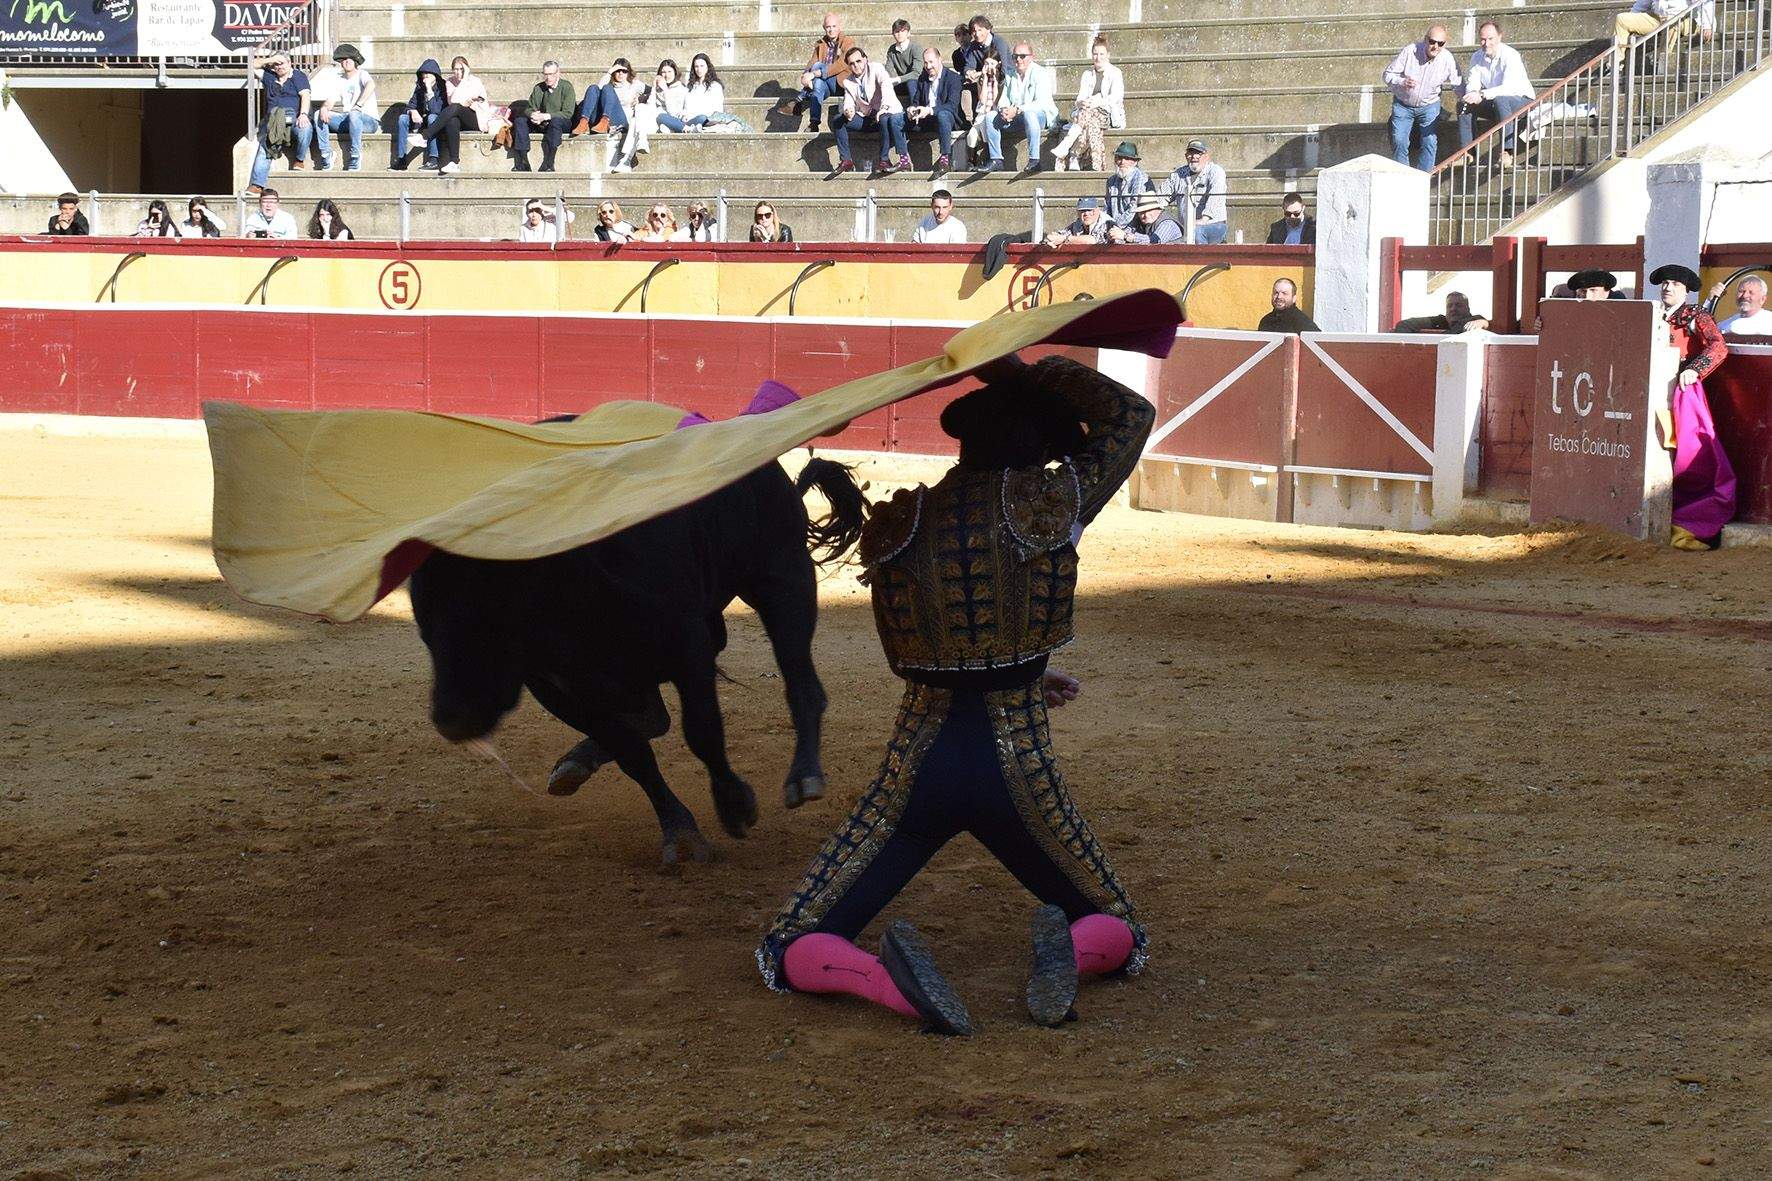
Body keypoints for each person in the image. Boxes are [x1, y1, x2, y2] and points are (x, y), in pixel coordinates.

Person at [756, 351, 1152, 1036]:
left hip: (919, 764)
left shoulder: (903, 521)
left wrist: (1016, 666)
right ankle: (1070, 956)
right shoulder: (1053, 501)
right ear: (1040, 448)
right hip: (1017, 763)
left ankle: (888, 986)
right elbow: (1132, 415)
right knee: (1115, 926)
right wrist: (1028, 367)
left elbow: (919, 650)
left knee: (790, 939)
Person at [1649, 263, 1735, 550]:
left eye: (1674, 283)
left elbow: (1719, 347)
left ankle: (1690, 524)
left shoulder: (1695, 316)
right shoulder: (1651, 315)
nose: (1668, 287)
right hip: (1651, 393)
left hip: (1682, 392)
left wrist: (1695, 370)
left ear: (1685, 290)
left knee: (1688, 456)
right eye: (1664, 283)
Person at [1383, 25, 1461, 171]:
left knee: (1429, 141)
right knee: (1399, 141)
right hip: (1403, 105)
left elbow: (1458, 84)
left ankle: (1425, 176)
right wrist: (1402, 81)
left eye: (1440, 43)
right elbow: (1387, 75)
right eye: (1432, 42)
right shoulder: (1410, 51)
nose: (1435, 46)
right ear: (1425, 40)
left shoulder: (1447, 59)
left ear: (1445, 44)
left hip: (1429, 105)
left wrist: (1467, 98)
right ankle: (1403, 175)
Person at [1458, 22, 1533, 166]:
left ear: (1499, 37)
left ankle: (1507, 152)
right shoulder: (1476, 57)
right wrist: (1473, 94)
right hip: (1496, 102)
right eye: (1483, 39)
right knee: (1464, 104)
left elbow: (1509, 88)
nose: (1486, 43)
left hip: (1523, 101)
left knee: (1501, 100)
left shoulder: (1511, 55)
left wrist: (1482, 94)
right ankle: (1467, 154)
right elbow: (1472, 83)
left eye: (1490, 39)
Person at [832, 46, 910, 178]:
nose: (856, 65)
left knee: (884, 118)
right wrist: (848, 111)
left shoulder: (876, 68)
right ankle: (846, 160)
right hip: (868, 116)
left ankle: (884, 160)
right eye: (852, 63)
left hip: (888, 112)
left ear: (865, 59)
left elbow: (886, 86)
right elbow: (848, 100)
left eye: (858, 61)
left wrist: (883, 108)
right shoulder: (848, 81)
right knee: (838, 119)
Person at [1051, 37, 1124, 173]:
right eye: (1095, 54)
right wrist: (1082, 102)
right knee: (1086, 115)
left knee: (1087, 115)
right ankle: (1076, 156)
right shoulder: (1087, 74)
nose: (1098, 57)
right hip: (1086, 114)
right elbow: (1080, 98)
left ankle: (1069, 151)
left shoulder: (1115, 73)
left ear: (1108, 55)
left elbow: (1115, 98)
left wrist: (1096, 101)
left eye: (1101, 54)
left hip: (1107, 113)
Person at [982, 42, 1056, 173]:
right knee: (990, 117)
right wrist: (1003, 110)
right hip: (1016, 117)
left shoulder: (1040, 73)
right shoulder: (1010, 74)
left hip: (1040, 116)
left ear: (1031, 57)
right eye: (1015, 56)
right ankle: (996, 159)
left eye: (1023, 56)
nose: (1018, 59)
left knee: (1030, 114)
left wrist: (1017, 110)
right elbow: (1004, 98)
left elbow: (1041, 102)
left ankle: (1035, 160)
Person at [247, 52, 313, 193]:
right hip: (273, 121)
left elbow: (305, 96)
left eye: (282, 63)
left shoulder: (298, 76)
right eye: (276, 64)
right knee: (265, 144)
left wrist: (303, 114)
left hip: (293, 118)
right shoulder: (269, 76)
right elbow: (251, 63)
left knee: (306, 128)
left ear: (289, 63)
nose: (279, 66)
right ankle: (257, 184)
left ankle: (299, 159)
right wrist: (271, 60)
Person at [311, 43, 378, 172]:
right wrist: (324, 108)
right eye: (343, 59)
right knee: (318, 113)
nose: (346, 62)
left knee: (354, 113)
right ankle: (326, 154)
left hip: (368, 121)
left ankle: (355, 155)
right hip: (347, 119)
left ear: (355, 60)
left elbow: (370, 85)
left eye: (349, 59)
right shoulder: (339, 79)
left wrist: (359, 105)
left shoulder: (362, 74)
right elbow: (330, 100)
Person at [422, 55, 489, 175]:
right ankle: (454, 162)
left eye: (461, 69)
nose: (458, 72)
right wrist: (464, 97)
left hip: (476, 118)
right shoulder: (450, 82)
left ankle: (425, 135)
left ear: (467, 69)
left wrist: (465, 80)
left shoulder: (475, 81)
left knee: (455, 108)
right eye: (456, 69)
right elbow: (453, 100)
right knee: (452, 120)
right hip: (459, 117)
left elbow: (475, 101)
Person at [791, 12, 855, 132]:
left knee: (818, 66)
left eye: (834, 26)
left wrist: (815, 73)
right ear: (824, 28)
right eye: (828, 27)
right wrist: (805, 75)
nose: (831, 30)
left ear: (839, 27)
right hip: (825, 84)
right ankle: (814, 123)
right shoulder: (820, 44)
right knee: (818, 84)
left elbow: (841, 64)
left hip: (840, 83)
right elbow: (811, 62)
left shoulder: (848, 42)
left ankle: (800, 98)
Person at [576, 59, 642, 171]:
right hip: (600, 123)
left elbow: (652, 90)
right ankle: (584, 121)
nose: (620, 74)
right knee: (593, 88)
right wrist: (609, 72)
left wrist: (641, 98)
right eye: (617, 71)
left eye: (624, 71)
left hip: (620, 121)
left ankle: (605, 120)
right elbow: (598, 88)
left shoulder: (634, 85)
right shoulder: (608, 83)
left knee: (607, 88)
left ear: (629, 72)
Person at [906, 46, 964, 175]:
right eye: (926, 63)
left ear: (940, 60)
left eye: (931, 62)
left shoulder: (953, 78)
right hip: (927, 119)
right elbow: (916, 101)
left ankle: (945, 158)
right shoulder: (923, 78)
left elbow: (952, 106)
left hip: (949, 119)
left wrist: (930, 110)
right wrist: (912, 108)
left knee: (943, 115)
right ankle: (903, 159)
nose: (928, 66)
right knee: (898, 119)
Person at [513, 60, 577, 172]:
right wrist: (533, 115)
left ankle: (549, 162)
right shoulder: (538, 88)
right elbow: (529, 108)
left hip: (561, 121)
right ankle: (524, 161)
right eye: (545, 74)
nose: (548, 77)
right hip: (541, 122)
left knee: (556, 122)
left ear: (558, 73)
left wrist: (545, 116)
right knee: (520, 121)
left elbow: (568, 113)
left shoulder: (567, 87)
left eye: (551, 74)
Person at [1162, 139, 1229, 244]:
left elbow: (1216, 199)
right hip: (1186, 227)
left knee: (1196, 232)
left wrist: (1202, 220)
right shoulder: (1178, 175)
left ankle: (1200, 260)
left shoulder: (1216, 172)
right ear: (1186, 156)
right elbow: (1162, 196)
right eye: (1191, 153)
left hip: (1213, 225)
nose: (1194, 157)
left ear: (1206, 156)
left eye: (1198, 153)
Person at [623, 58, 685, 164]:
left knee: (636, 120)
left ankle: (626, 160)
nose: (666, 75)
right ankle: (637, 147)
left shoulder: (681, 89)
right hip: (654, 121)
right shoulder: (658, 86)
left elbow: (673, 113)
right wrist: (654, 88)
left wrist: (665, 90)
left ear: (675, 72)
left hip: (667, 121)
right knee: (637, 114)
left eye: (669, 71)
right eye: (663, 72)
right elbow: (650, 106)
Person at [958, 14, 1014, 122]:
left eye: (980, 30)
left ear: (988, 29)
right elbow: (968, 66)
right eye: (974, 31)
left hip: (1003, 78)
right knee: (964, 87)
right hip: (985, 79)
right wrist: (969, 72)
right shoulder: (973, 46)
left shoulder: (999, 42)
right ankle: (968, 121)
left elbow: (1003, 69)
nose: (977, 34)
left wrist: (980, 74)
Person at [394, 59, 446, 171]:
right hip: (421, 122)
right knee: (403, 118)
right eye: (423, 76)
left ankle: (433, 159)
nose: (425, 79)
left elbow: (435, 110)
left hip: (437, 124)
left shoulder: (443, 88)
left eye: (428, 76)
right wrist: (412, 111)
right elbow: (409, 106)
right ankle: (402, 159)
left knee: (432, 117)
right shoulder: (419, 89)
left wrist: (429, 90)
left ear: (435, 76)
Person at [1104, 141, 1150, 229]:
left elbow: (1134, 209)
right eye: (1119, 158)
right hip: (1113, 226)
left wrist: (1117, 226)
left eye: (1127, 158)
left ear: (1135, 162)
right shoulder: (1111, 181)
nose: (1122, 162)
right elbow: (1107, 208)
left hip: (1135, 227)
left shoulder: (1140, 178)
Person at [1394, 290, 1489, 332]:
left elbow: (1483, 322)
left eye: (1458, 305)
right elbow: (1404, 325)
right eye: (1449, 306)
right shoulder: (1440, 321)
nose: (1453, 309)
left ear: (1467, 309)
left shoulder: (1474, 320)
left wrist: (1482, 322)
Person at [1107, 191, 1182, 244]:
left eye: (1149, 210)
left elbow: (1155, 241)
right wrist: (1115, 237)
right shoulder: (1138, 219)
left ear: (1158, 209)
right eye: (1142, 212)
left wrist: (1126, 236)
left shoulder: (1168, 223)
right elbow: (1126, 232)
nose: (1145, 215)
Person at [680, 54, 725, 130]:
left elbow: (717, 110)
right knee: (661, 117)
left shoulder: (715, 86)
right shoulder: (690, 86)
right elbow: (685, 108)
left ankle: (679, 127)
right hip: (689, 121)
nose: (699, 69)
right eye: (696, 66)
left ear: (708, 66)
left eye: (702, 66)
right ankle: (685, 128)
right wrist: (684, 116)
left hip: (706, 121)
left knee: (702, 118)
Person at [1043, 196, 1109, 246]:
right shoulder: (1078, 224)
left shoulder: (1106, 222)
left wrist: (1064, 239)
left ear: (1097, 210)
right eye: (1082, 211)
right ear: (1078, 212)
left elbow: (1093, 240)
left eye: (1090, 210)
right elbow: (1060, 234)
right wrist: (1049, 240)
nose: (1086, 214)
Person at [885, 19, 922, 106]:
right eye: (896, 31)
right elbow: (888, 69)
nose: (899, 34)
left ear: (908, 33)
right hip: (901, 83)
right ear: (893, 34)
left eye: (903, 31)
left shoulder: (915, 48)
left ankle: (915, 109)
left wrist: (898, 79)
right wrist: (891, 79)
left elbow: (917, 73)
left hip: (916, 82)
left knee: (911, 82)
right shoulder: (892, 50)